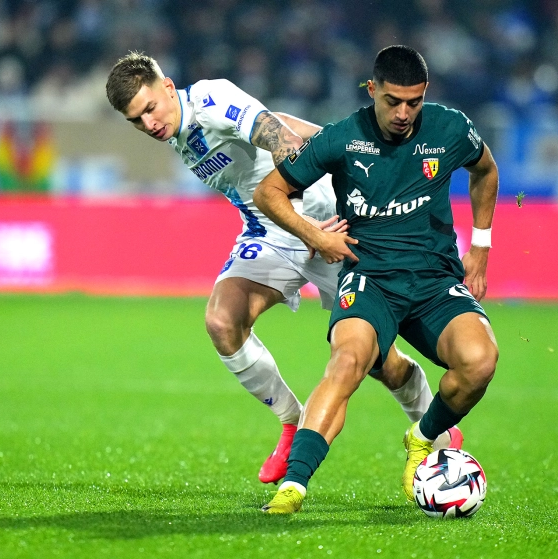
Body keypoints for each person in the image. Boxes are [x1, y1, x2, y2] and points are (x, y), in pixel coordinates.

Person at [104, 52, 459, 485]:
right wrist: (326, 141)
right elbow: (280, 123)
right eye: (136, 120)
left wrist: (309, 225)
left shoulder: (211, 100)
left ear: (166, 86)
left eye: (150, 109)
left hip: (325, 221)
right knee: (222, 321)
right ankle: (292, 422)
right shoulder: (178, 129)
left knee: (376, 360)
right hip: (269, 231)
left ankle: (436, 431)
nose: (149, 124)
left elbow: (282, 142)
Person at [254, 45, 500, 514]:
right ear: (372, 90)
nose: (404, 113)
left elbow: (485, 169)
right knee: (347, 362)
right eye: (393, 101)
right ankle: (293, 486)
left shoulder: (450, 128)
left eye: (414, 102)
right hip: (370, 280)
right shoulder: (342, 138)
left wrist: (481, 246)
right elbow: (269, 192)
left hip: (434, 280)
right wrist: (315, 235)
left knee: (480, 361)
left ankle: (421, 437)